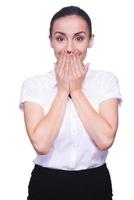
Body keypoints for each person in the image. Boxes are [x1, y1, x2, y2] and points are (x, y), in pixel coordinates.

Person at [19, 5, 122, 200]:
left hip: (94, 182)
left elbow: (105, 140)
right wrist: (62, 90)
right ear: (51, 41)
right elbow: (41, 144)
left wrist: (76, 90)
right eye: (60, 38)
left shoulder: (106, 81)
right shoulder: (34, 85)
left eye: (79, 38)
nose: (69, 48)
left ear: (91, 40)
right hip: (47, 183)